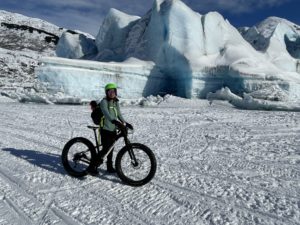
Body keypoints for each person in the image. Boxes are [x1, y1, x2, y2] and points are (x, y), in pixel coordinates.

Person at [89, 83, 133, 175]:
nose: (112, 93)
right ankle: (92, 167)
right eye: (110, 91)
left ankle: (109, 167)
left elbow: (119, 114)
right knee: (106, 149)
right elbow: (106, 114)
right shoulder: (104, 102)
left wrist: (125, 123)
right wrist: (115, 121)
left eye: (113, 91)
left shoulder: (115, 101)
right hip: (105, 129)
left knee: (111, 149)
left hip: (113, 129)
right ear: (106, 92)